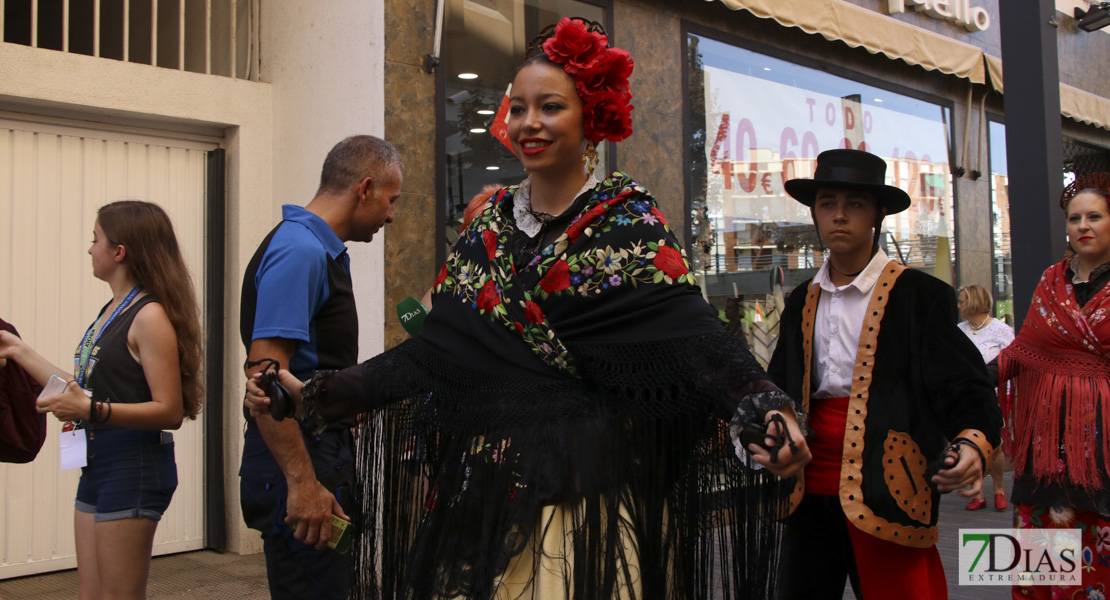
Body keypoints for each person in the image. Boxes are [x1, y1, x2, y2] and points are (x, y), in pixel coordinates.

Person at [247, 17, 809, 599]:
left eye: (550, 107)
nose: (529, 123)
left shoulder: (628, 224)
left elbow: (696, 339)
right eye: (518, 108)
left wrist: (763, 407)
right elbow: (433, 355)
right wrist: (318, 394)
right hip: (484, 497)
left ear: (591, 117)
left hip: (589, 506)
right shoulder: (485, 230)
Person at [767, 149, 1002, 600]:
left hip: (888, 484)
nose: (839, 215)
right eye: (827, 202)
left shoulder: (921, 296)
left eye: (855, 204)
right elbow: (779, 385)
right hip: (807, 485)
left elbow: (965, 384)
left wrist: (972, 439)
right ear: (814, 212)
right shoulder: (801, 298)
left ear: (877, 214)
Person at [0, 200, 202, 600]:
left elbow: (170, 411)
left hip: (133, 466)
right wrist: (18, 351)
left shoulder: (148, 315)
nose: (89, 249)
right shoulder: (111, 311)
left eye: (95, 240)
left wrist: (92, 410)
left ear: (119, 251)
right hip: (97, 463)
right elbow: (84, 389)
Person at [238, 135, 403, 600]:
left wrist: (343, 403)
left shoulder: (317, 247)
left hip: (319, 448)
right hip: (301, 456)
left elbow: (308, 368)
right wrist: (303, 483)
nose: (392, 215)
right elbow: (265, 377)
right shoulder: (301, 251)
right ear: (365, 188)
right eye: (391, 201)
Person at [1001, 173, 1110, 599]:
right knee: (1039, 560)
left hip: (1102, 444)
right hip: (1044, 447)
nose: (1083, 225)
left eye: (1095, 216)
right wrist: (965, 377)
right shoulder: (1051, 281)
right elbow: (1022, 351)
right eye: (1074, 218)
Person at [956, 283, 1013, 511]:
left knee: (994, 444)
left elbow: (1012, 361)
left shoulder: (1000, 329)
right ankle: (978, 492)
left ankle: (998, 488)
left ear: (974, 302)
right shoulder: (958, 330)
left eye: (961, 300)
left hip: (994, 396)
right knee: (969, 444)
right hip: (965, 397)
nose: (958, 305)